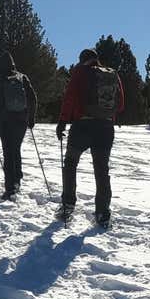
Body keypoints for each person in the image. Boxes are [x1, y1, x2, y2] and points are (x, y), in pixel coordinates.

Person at [55, 47, 123, 226]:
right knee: (101, 169)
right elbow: (120, 103)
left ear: (82, 59)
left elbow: (69, 97)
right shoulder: (111, 74)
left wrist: (62, 121)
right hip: (106, 128)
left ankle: (68, 205)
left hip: (82, 126)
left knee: (70, 163)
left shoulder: (80, 72)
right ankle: (102, 212)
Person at [0, 52, 37, 198]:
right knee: (16, 149)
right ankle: (17, 180)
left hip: (6, 120)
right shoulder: (22, 77)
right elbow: (32, 97)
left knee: (8, 152)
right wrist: (31, 117)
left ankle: (9, 188)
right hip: (21, 119)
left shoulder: (0, 78)